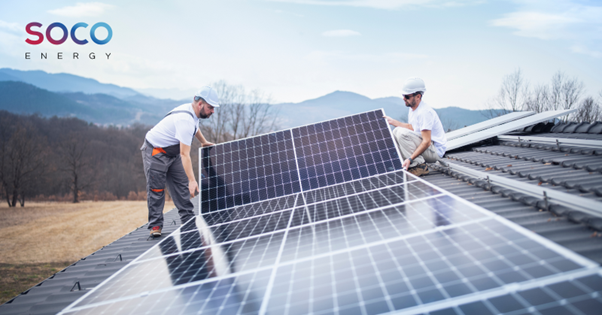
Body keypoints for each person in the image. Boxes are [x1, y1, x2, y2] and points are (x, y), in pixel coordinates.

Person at [141, 86, 219, 236]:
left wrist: (203, 141)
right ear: (200, 104)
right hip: (156, 152)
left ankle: (188, 219)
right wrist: (192, 180)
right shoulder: (185, 120)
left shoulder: (193, 115)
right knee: (156, 189)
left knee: (180, 186)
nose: (213, 111)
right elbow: (185, 154)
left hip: (172, 153)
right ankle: (156, 226)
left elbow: (195, 129)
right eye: (211, 107)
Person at [383, 77, 447, 177]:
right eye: (403, 95)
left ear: (418, 96)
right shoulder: (413, 109)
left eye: (407, 96)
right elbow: (413, 128)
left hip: (434, 151)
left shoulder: (424, 112)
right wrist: (394, 122)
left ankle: (419, 166)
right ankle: (406, 163)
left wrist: (410, 158)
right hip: (428, 148)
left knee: (401, 133)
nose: (404, 98)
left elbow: (426, 141)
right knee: (396, 131)